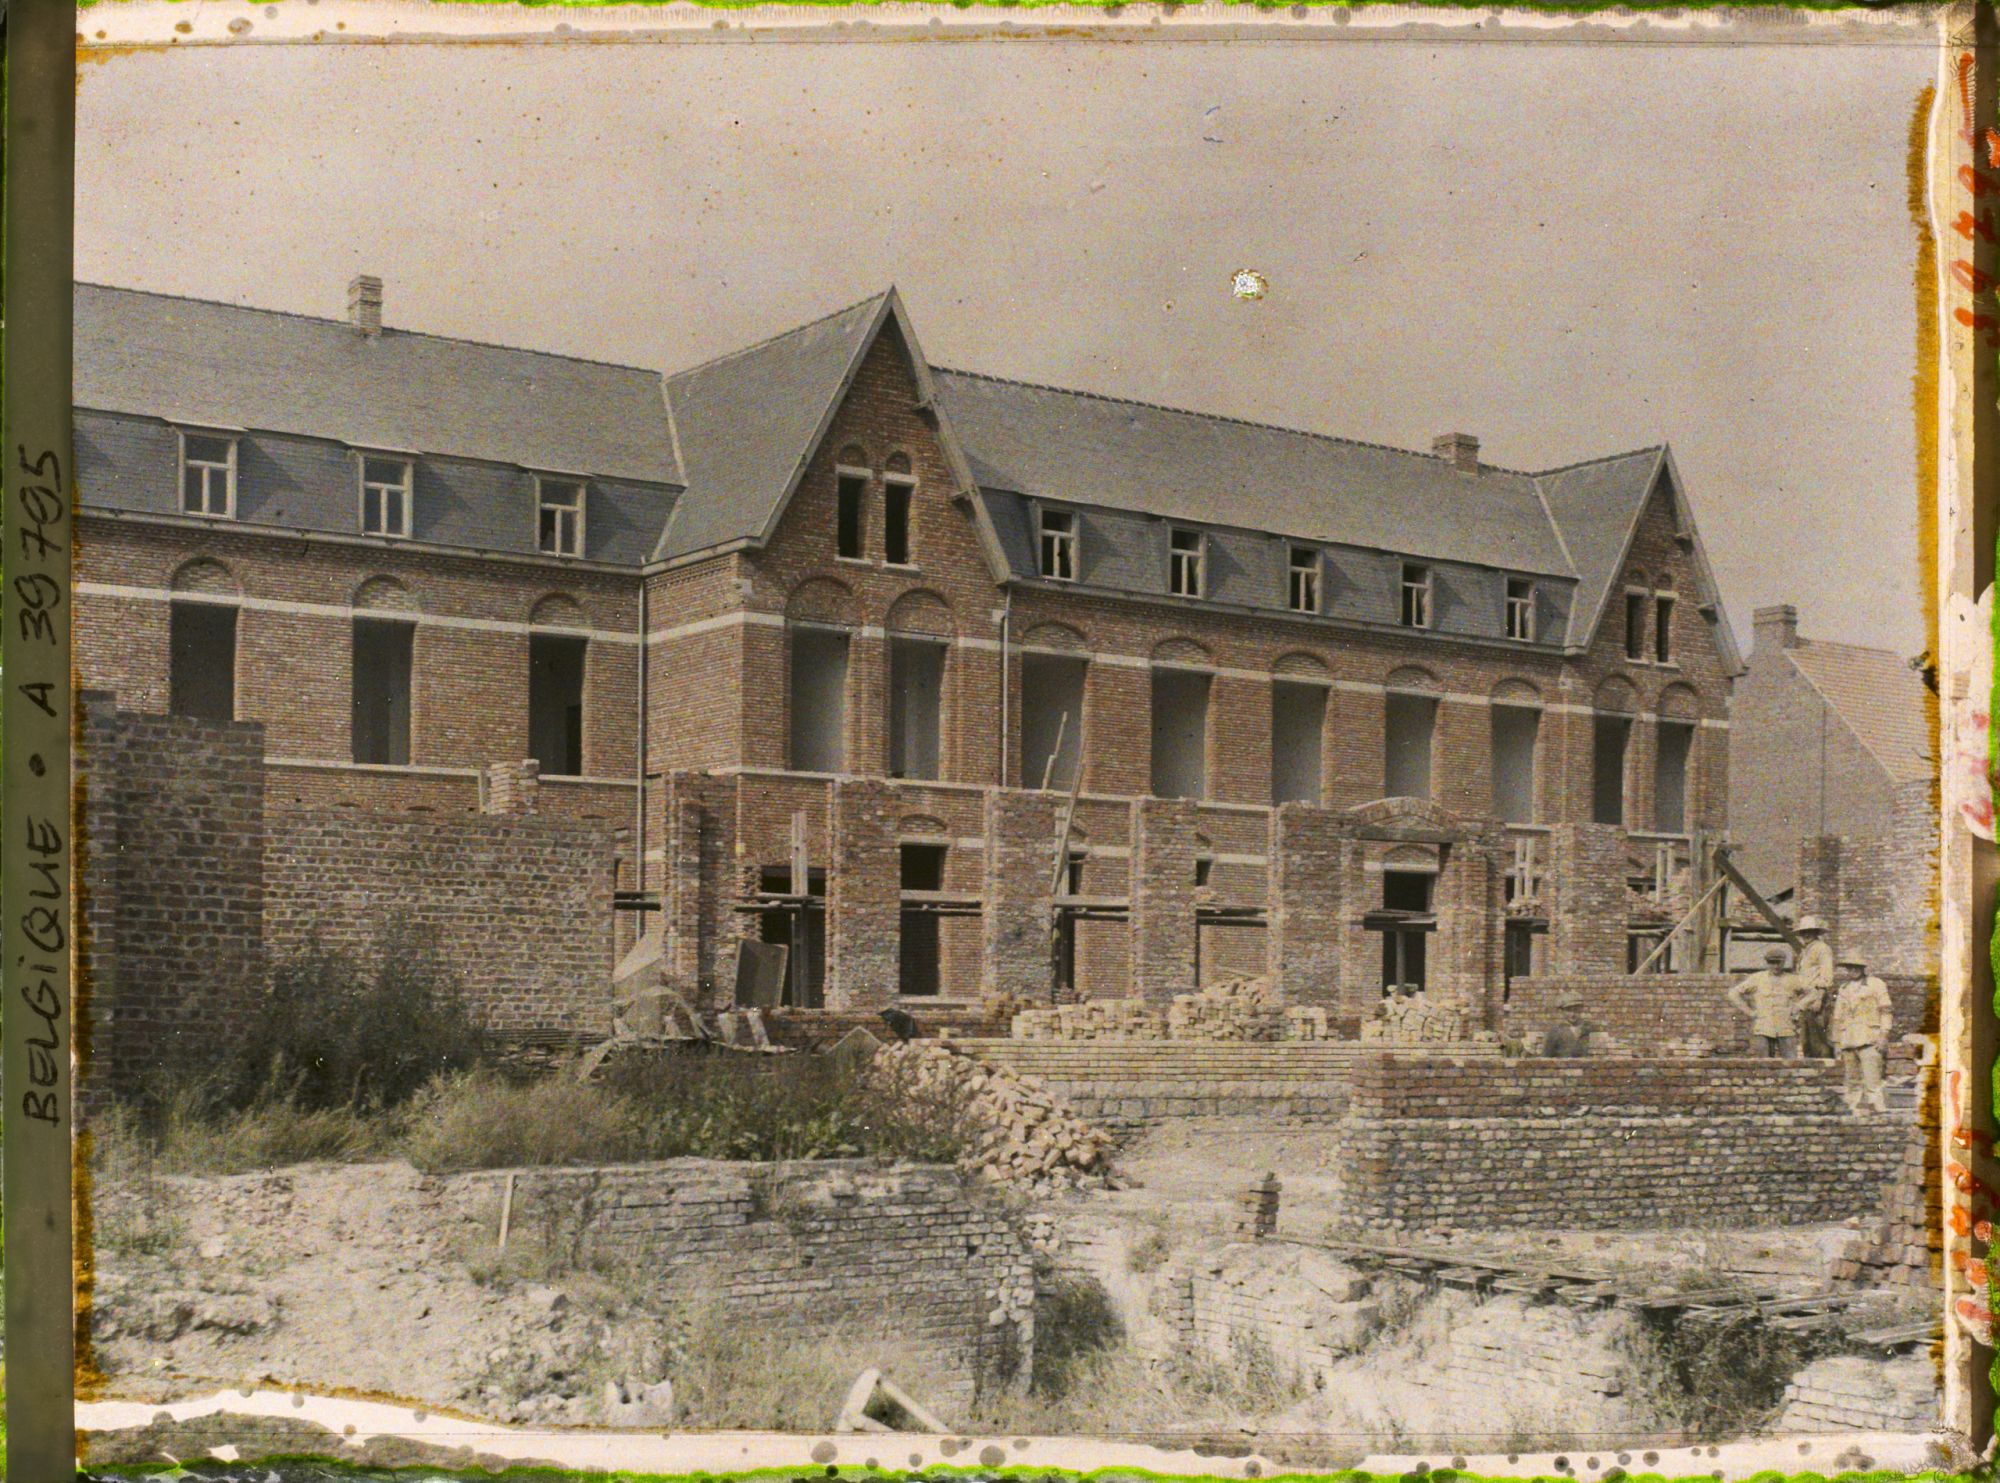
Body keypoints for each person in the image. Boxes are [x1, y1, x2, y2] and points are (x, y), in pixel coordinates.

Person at [1829, 957, 1895, 1113]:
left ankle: (1878, 1110)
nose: (1853, 971)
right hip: (1849, 1039)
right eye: (1849, 968)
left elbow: (1886, 1011)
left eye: (1856, 967)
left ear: (1863, 968)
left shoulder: (1876, 984)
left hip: (1869, 1037)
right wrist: (1837, 1041)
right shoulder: (1844, 988)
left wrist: (1884, 1034)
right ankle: (1852, 1109)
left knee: (1872, 1079)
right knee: (1852, 1080)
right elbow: (1838, 1017)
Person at [1728, 946, 1810, 1058]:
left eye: (1779, 963)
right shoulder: (1757, 978)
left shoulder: (1793, 980)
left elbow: (1813, 993)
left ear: (1784, 962)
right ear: (1767, 963)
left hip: (1786, 1027)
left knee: (1791, 1063)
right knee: (1764, 1064)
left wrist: (1799, 1006)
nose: (1776, 966)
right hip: (1763, 1027)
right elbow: (1733, 993)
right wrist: (1749, 1012)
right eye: (1772, 963)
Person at [1794, 916, 1836, 1058]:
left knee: (1819, 1040)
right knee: (1806, 1041)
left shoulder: (1822, 948)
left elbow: (1826, 975)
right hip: (1805, 1000)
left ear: (1816, 932)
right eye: (1804, 932)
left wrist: (1819, 998)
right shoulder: (1805, 951)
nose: (1806, 934)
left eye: (1810, 931)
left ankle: (1827, 1072)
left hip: (1816, 998)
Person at [1541, 993, 1593, 1058]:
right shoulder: (1555, 1032)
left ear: (1580, 1010)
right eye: (1569, 1011)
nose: (1572, 1014)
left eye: (1576, 1010)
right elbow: (1546, 1056)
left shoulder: (1587, 1029)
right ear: (1562, 1012)